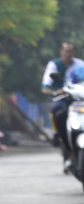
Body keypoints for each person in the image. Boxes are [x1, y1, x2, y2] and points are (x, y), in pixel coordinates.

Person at [41, 42, 84, 173]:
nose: (68, 53)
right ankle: (61, 137)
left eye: (70, 51)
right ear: (61, 52)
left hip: (79, 100)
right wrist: (52, 90)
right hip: (61, 99)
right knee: (58, 113)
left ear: (74, 52)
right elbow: (46, 84)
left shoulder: (80, 65)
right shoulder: (54, 65)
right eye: (66, 51)